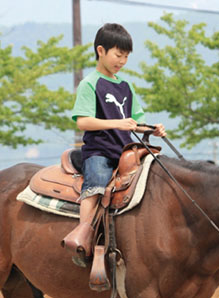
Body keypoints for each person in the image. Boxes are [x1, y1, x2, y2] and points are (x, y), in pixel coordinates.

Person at [62, 23, 166, 264]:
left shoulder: (126, 86)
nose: (122, 61)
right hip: (99, 151)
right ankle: (83, 238)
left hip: (126, 153)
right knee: (96, 186)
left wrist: (152, 128)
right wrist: (118, 123)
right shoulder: (90, 83)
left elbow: (135, 122)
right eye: (118, 55)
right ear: (101, 50)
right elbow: (83, 122)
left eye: (126, 56)